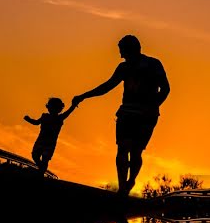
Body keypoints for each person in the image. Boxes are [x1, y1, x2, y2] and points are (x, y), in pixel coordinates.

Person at [72, 35, 170, 195]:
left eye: (123, 51)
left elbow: (165, 89)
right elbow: (107, 86)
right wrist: (84, 96)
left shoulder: (153, 64)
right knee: (122, 148)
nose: (121, 55)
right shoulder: (123, 68)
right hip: (127, 112)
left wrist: (152, 106)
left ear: (132, 49)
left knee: (136, 151)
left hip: (146, 115)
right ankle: (122, 188)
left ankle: (131, 181)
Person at [23, 97, 77, 174]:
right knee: (35, 155)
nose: (53, 109)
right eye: (51, 107)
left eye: (56, 108)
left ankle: (41, 172)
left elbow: (69, 111)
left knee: (45, 158)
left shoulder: (60, 118)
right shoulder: (44, 116)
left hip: (50, 143)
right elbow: (36, 122)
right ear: (48, 107)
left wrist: (73, 105)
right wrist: (29, 119)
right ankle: (41, 169)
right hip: (40, 141)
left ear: (59, 109)